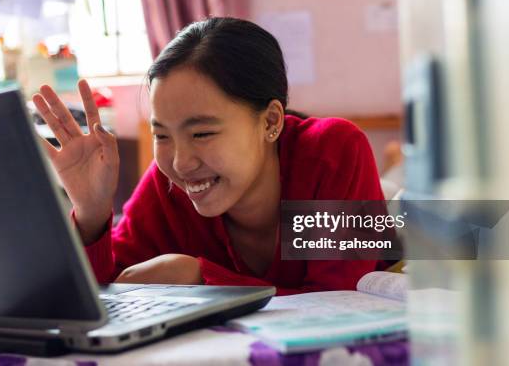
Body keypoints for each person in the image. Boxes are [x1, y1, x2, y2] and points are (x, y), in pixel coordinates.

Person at [33, 17, 386, 296]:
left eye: (202, 133)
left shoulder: (332, 151)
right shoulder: (167, 184)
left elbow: (338, 300)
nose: (181, 162)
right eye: (161, 135)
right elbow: (105, 293)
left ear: (271, 121)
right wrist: (92, 216)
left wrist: (203, 278)